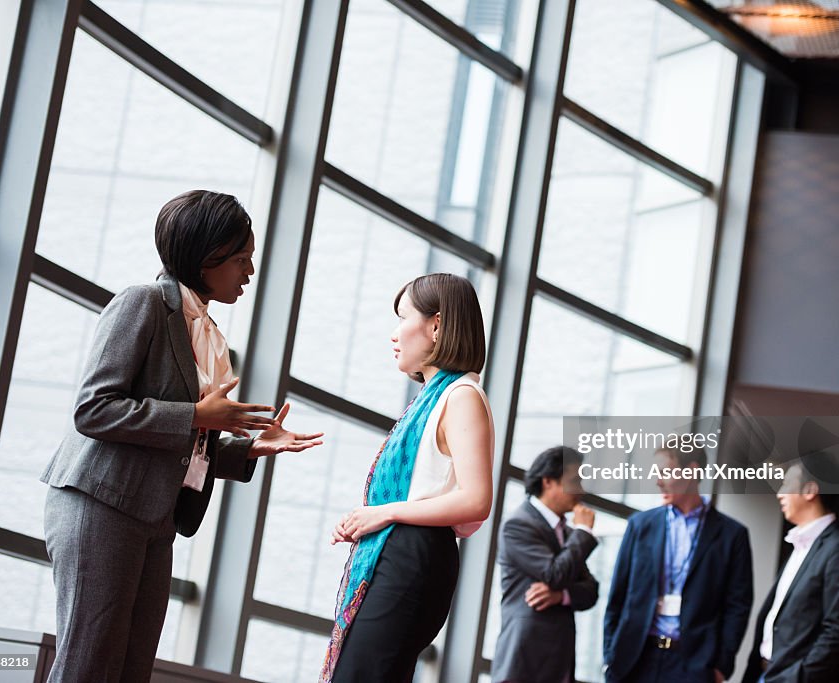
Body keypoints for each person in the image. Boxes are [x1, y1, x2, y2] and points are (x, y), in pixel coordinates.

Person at [40, 190, 323, 682]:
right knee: (89, 663)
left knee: (131, 669)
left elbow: (191, 436)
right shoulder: (142, 304)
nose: (248, 273)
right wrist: (196, 413)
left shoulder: (207, 332)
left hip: (155, 513)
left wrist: (246, 446)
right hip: (102, 501)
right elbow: (94, 409)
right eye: (240, 260)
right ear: (204, 256)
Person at [321, 273, 495, 683]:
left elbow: (476, 502)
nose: (395, 333)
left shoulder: (461, 396)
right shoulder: (434, 399)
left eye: (403, 318)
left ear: (436, 325)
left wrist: (385, 513)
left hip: (413, 554)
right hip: (406, 551)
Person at [604, 447, 753, 683]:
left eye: (664, 472)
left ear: (692, 471)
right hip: (634, 659)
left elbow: (738, 606)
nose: (658, 481)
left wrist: (721, 666)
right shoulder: (640, 525)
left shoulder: (732, 535)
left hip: (693, 666)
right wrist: (609, 655)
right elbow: (617, 596)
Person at [743, 453, 839, 683]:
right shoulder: (800, 546)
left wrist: (796, 679)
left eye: (787, 485)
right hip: (766, 673)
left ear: (810, 491)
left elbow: (838, 634)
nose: (780, 493)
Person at [491, 445, 599, 683]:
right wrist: (583, 531)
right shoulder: (518, 525)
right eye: (575, 480)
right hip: (524, 656)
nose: (581, 490)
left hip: (559, 660)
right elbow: (553, 574)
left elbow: (590, 592)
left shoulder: (569, 534)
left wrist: (561, 596)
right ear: (548, 481)